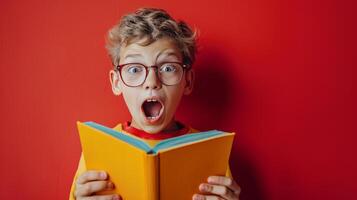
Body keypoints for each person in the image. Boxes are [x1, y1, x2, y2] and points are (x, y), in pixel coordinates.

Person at [69, 8, 241, 200]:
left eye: (167, 68)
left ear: (188, 81)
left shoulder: (212, 152)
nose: (152, 81)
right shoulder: (96, 152)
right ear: (116, 82)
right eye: (134, 69)